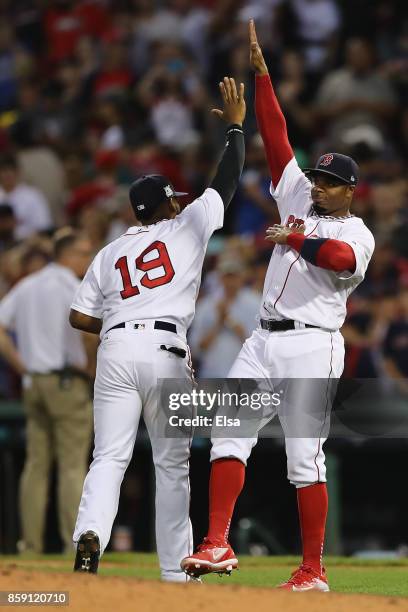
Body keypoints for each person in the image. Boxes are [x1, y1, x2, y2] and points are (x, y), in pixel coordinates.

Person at [181, 21, 375, 592]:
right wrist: (263, 79)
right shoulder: (296, 192)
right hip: (262, 338)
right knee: (227, 434)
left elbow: (340, 258)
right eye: (317, 177)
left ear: (350, 190)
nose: (317, 185)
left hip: (315, 342)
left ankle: (313, 570)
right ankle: (216, 541)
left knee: (303, 460)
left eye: (330, 182)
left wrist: (295, 240)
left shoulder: (359, 231)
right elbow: (277, 137)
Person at [70, 77, 246, 581]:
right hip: (166, 349)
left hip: (116, 345)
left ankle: (92, 537)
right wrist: (235, 126)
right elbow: (227, 182)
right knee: (172, 466)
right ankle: (174, 573)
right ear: (169, 203)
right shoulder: (185, 226)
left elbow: (79, 317)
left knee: (109, 456)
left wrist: (124, 318)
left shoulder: (109, 251)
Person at [0, 229, 96, 554]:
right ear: (67, 255)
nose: (87, 259)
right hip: (66, 382)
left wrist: (22, 365)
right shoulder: (73, 285)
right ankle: (73, 545)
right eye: (83, 253)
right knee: (71, 465)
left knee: (36, 467)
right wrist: (91, 367)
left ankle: (30, 545)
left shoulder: (28, 284)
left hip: (34, 382)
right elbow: (88, 334)